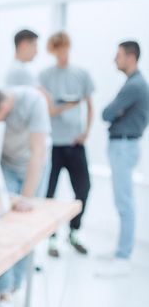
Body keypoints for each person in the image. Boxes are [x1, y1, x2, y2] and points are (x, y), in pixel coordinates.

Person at [0, 85, 51, 306]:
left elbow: (38, 153)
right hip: (5, 163)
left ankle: (18, 285)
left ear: (5, 107)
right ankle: (5, 290)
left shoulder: (33, 102)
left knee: (25, 224)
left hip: (33, 165)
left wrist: (27, 197)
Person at [39, 31, 94, 257]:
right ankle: (51, 238)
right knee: (49, 192)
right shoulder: (45, 76)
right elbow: (47, 110)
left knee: (83, 188)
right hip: (53, 145)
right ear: (53, 51)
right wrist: (68, 105)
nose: (63, 54)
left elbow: (90, 105)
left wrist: (86, 132)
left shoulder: (82, 74)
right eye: (58, 51)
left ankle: (74, 232)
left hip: (75, 144)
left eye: (65, 50)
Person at [97, 41, 149, 277]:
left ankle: (123, 256)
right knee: (123, 201)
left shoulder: (135, 85)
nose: (114, 59)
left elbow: (107, 113)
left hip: (124, 145)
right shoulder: (133, 83)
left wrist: (115, 113)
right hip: (124, 144)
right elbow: (110, 113)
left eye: (118, 55)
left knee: (125, 202)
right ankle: (121, 250)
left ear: (131, 56)